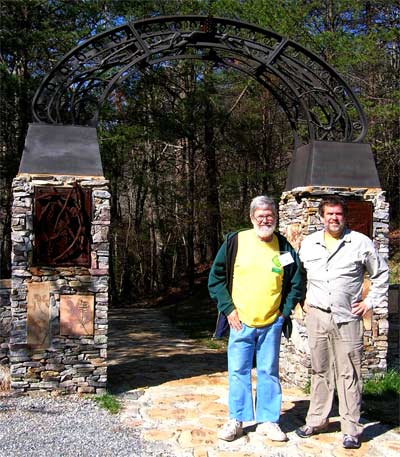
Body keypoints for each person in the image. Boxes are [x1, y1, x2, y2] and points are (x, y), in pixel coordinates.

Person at [296, 195, 389, 449]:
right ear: (321, 217)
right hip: (317, 316)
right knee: (320, 370)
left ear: (344, 216)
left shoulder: (360, 243)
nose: (334, 218)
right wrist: (301, 299)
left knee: (349, 373)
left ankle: (351, 428)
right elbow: (297, 274)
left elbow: (381, 273)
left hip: (347, 317)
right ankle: (317, 420)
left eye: (338, 214)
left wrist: (369, 303)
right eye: (329, 214)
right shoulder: (309, 244)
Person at [208, 195, 303, 442]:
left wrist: (284, 312)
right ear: (251, 218)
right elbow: (215, 280)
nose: (265, 219)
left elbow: (295, 281)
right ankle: (236, 420)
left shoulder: (283, 247)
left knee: (268, 371)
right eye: (260, 216)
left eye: (269, 215)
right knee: (238, 370)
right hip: (240, 322)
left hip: (272, 322)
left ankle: (268, 421)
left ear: (276, 217)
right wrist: (228, 309)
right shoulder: (235, 242)